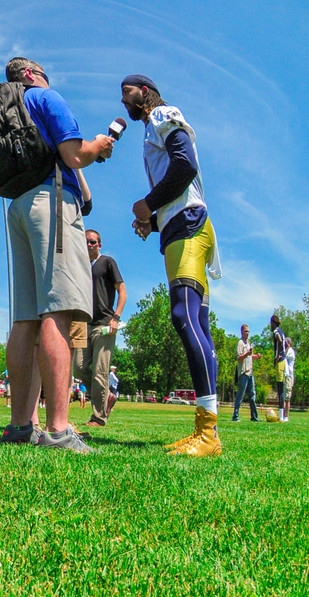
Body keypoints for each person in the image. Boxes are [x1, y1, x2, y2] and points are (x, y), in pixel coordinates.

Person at [0, 57, 113, 451]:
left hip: (16, 207)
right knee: (58, 311)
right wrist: (98, 147)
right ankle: (59, 429)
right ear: (32, 75)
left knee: (26, 317)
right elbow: (74, 155)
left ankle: (20, 426)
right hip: (52, 201)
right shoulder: (44, 97)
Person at [121, 74, 222, 457]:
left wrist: (148, 204)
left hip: (189, 225)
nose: (123, 102)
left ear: (144, 93)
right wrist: (153, 218)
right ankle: (206, 427)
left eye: (127, 94)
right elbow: (177, 175)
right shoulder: (151, 128)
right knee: (199, 324)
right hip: (183, 224)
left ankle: (209, 432)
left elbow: (185, 166)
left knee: (183, 315)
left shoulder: (162, 113)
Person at [73, 229, 127, 427]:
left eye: (93, 242)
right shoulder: (81, 267)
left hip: (105, 324)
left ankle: (98, 417)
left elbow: (122, 292)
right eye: (86, 242)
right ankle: (107, 397)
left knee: (100, 372)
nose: (89, 245)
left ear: (99, 245)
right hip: (84, 323)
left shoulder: (107, 262)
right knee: (78, 368)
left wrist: (116, 318)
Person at [232, 324, 261, 422]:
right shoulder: (240, 343)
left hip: (250, 372)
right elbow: (239, 358)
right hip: (243, 373)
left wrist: (256, 356)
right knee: (240, 395)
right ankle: (235, 416)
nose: (247, 333)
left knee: (252, 395)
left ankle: (254, 417)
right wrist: (247, 354)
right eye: (246, 331)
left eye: (248, 331)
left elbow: (250, 356)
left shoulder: (248, 343)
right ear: (242, 332)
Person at [271, 314, 287, 422]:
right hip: (284, 361)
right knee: (281, 389)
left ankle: (281, 416)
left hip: (280, 362)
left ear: (273, 323)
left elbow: (280, 341)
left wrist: (277, 357)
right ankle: (282, 414)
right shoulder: (281, 331)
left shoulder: (276, 331)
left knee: (280, 388)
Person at [283, 337, 295, 422]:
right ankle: (282, 415)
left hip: (289, 376)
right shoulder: (286, 350)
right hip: (285, 376)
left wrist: (287, 347)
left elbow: (284, 356)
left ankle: (286, 416)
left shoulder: (290, 351)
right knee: (283, 397)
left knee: (287, 398)